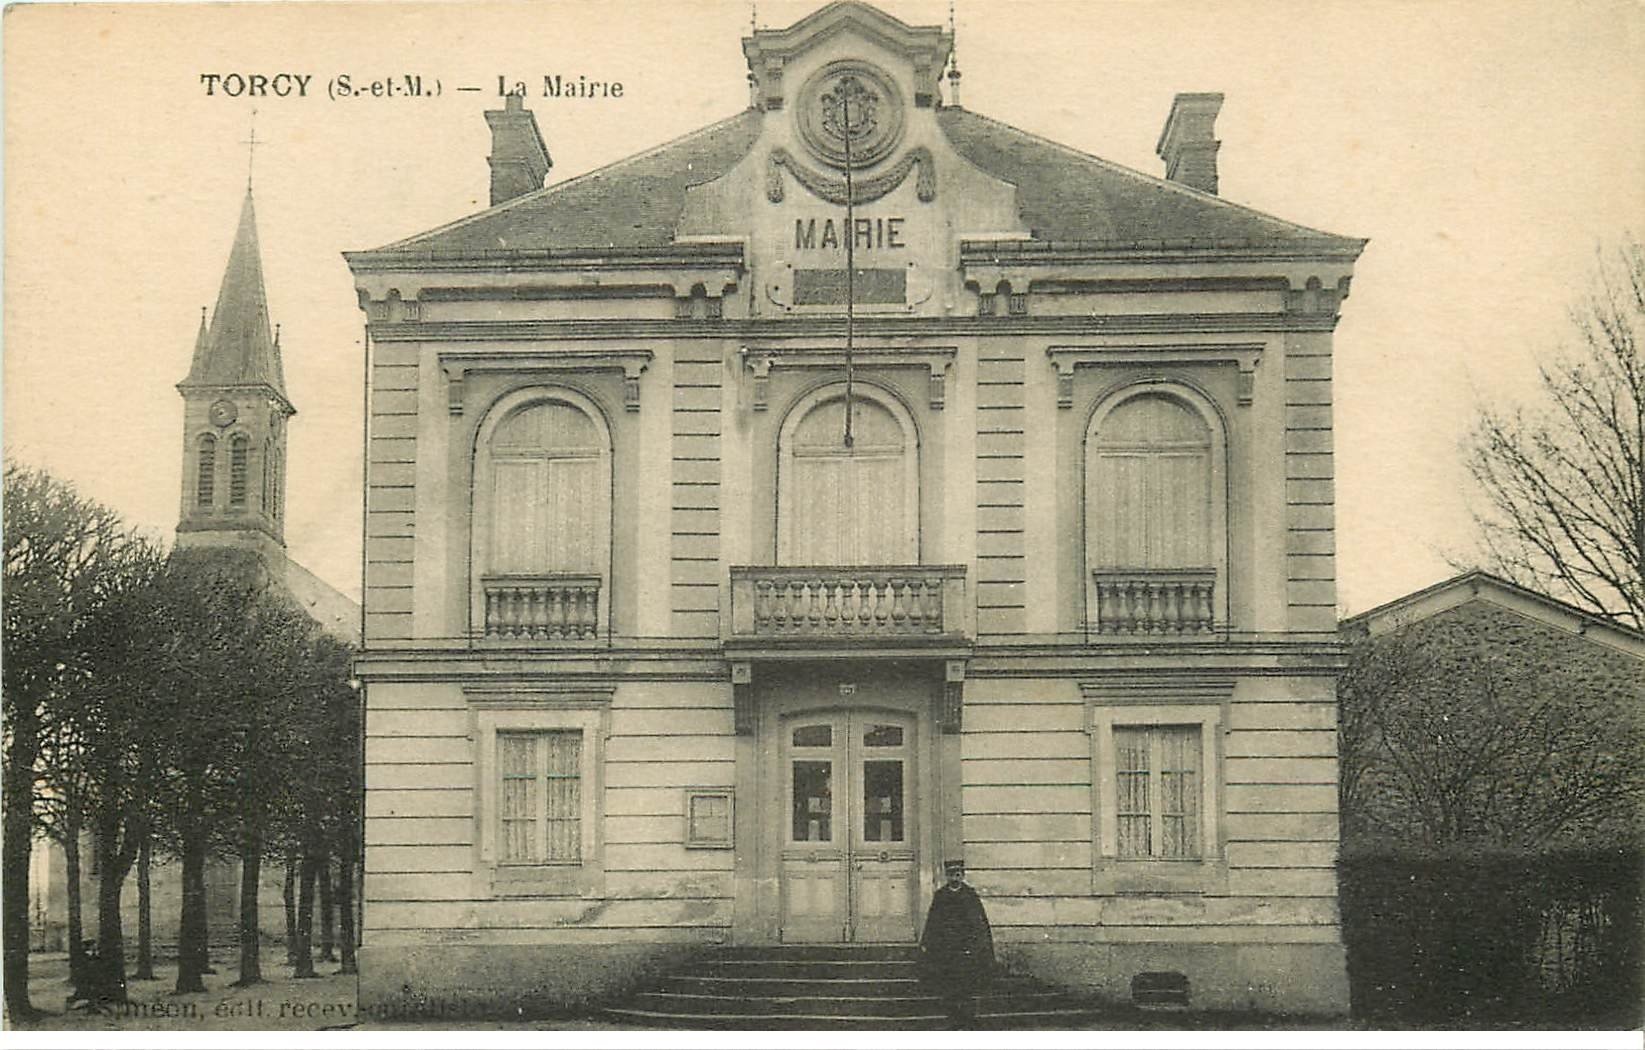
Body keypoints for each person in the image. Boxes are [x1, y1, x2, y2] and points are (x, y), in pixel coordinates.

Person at [918, 859, 995, 1027]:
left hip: (966, 949)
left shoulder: (970, 895)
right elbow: (933, 921)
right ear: (947, 876)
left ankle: (968, 1018)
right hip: (947, 949)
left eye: (958, 874)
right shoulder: (941, 895)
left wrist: (977, 945)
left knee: (967, 985)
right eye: (952, 874)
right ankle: (953, 1018)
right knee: (949, 984)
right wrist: (928, 942)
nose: (955, 877)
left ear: (963, 875)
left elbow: (979, 922)